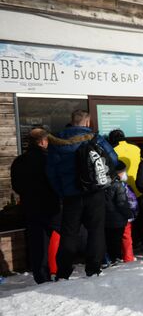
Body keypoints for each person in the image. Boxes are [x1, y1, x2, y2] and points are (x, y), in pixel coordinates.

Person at [47, 110, 118, 278]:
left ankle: (63, 271)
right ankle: (93, 268)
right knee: (96, 230)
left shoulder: (57, 142)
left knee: (69, 233)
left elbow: (51, 172)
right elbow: (113, 159)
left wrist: (62, 191)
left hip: (71, 196)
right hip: (94, 192)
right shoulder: (96, 138)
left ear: (72, 122)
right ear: (87, 122)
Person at [10, 128, 61, 283]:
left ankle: (41, 276)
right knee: (59, 238)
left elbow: (16, 186)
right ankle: (60, 271)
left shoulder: (19, 161)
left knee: (37, 243)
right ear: (43, 141)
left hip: (31, 206)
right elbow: (57, 182)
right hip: (52, 205)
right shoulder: (50, 158)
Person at [108, 129, 143, 249]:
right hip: (138, 188)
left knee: (125, 219)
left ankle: (128, 245)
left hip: (122, 189)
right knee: (140, 217)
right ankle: (141, 239)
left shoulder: (112, 150)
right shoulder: (136, 148)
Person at [104, 161, 133, 264]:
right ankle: (116, 258)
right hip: (118, 219)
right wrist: (129, 214)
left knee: (109, 240)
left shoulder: (104, 183)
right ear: (118, 173)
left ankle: (109, 259)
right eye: (123, 172)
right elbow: (122, 203)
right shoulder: (119, 185)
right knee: (117, 240)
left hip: (106, 218)